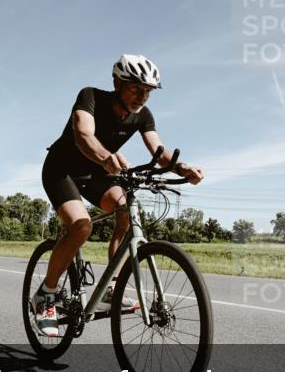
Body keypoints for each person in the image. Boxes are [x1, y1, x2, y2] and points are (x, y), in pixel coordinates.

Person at [33, 54, 204, 337]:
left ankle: (111, 287)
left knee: (126, 212)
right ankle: (46, 295)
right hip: (61, 170)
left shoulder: (143, 116)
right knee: (82, 225)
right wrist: (105, 157)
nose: (142, 96)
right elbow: (82, 134)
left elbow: (159, 152)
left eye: (148, 91)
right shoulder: (91, 97)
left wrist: (182, 168)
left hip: (97, 174)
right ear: (117, 82)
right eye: (136, 88)